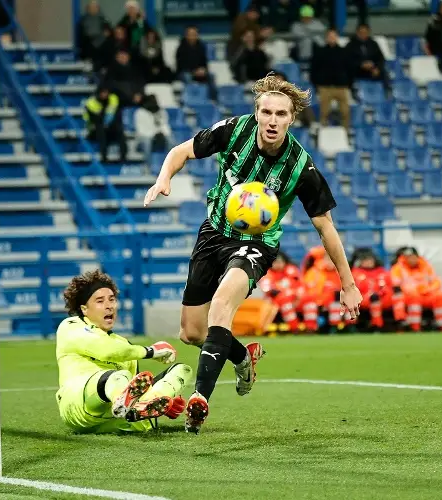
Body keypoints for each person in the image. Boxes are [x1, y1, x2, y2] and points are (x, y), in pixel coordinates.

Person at [144, 74, 362, 433]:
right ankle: (242, 356)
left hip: (256, 243)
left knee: (222, 305)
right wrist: (163, 178)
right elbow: (180, 151)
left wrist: (348, 283)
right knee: (193, 333)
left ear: (292, 119)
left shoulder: (300, 166)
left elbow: (325, 226)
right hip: (213, 232)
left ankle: (200, 400)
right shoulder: (234, 131)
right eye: (266, 112)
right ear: (257, 113)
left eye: (281, 114)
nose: (272, 120)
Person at [56, 270, 192, 433]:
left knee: (183, 370)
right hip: (78, 405)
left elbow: (136, 385)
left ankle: (142, 407)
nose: (109, 306)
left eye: (112, 300)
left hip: (110, 419)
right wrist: (150, 351)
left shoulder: (123, 344)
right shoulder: (71, 326)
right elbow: (107, 351)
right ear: (84, 309)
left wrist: (167, 400)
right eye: (100, 301)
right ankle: (124, 404)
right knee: (118, 376)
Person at [390, 247, 442, 331]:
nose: (412, 259)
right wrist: (415, 289)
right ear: (404, 258)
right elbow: (396, 285)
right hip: (409, 295)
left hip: (426, 293)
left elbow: (436, 281)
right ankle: (415, 327)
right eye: (409, 257)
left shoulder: (426, 266)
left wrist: (429, 289)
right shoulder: (398, 268)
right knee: (414, 297)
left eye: (413, 257)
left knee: (440, 296)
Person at [259, 252, 319, 332]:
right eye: (275, 262)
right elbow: (269, 290)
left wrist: (297, 295)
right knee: (285, 302)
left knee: (309, 300)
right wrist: (288, 294)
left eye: (280, 262)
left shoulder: (291, 270)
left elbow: (300, 285)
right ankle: (294, 328)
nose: (278, 264)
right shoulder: (267, 273)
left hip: (296, 298)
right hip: (278, 302)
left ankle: (311, 328)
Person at [351, 247, 404, 331]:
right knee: (374, 298)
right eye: (365, 260)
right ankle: (377, 325)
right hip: (365, 298)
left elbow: (391, 285)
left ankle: (400, 321)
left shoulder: (383, 272)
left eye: (370, 260)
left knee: (398, 293)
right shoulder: (355, 273)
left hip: (384, 297)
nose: (369, 262)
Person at [310, 29, 351, 129]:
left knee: (345, 112)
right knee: (324, 112)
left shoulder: (344, 52)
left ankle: (346, 131)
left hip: (341, 86)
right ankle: (323, 131)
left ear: (337, 37)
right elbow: (313, 69)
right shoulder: (320, 52)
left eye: (334, 36)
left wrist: (348, 83)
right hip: (325, 87)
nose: (332, 38)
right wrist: (317, 84)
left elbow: (350, 68)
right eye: (330, 36)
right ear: (326, 38)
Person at [83, 84, 127, 163]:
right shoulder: (91, 103)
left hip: (108, 127)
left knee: (119, 129)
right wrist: (103, 114)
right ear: (99, 93)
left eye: (106, 93)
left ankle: (123, 157)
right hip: (93, 129)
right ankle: (104, 157)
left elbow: (114, 113)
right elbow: (94, 120)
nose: (105, 95)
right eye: (103, 93)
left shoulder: (113, 99)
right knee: (100, 129)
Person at [176, 26, 218, 102]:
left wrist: (203, 70)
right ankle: (191, 100)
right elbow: (180, 65)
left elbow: (204, 62)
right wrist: (193, 71)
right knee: (187, 76)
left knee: (211, 76)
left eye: (194, 34)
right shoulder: (181, 48)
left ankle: (213, 100)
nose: (192, 36)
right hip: (185, 72)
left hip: (199, 72)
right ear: (186, 35)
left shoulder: (201, 47)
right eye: (190, 34)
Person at [345, 24, 389, 92]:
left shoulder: (373, 44)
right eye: (361, 33)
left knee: (384, 73)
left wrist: (376, 68)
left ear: (368, 33)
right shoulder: (350, 45)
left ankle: (386, 93)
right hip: (358, 71)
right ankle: (354, 94)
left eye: (365, 33)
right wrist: (361, 64)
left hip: (372, 70)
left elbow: (381, 59)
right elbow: (348, 60)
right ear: (357, 33)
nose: (363, 35)